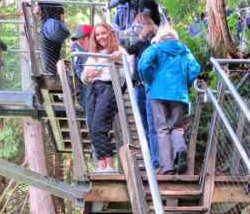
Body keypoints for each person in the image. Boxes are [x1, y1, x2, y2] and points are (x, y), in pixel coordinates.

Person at [138, 26, 201, 176]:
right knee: (177, 127)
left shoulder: (156, 47)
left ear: (160, 36)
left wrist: (149, 80)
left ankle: (168, 168)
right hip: (178, 94)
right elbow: (195, 68)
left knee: (161, 129)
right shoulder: (184, 50)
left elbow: (144, 64)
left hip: (158, 93)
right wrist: (185, 83)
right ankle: (180, 148)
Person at [79, 22, 127, 173]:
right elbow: (83, 77)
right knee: (92, 129)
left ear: (110, 34)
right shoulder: (95, 54)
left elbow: (127, 73)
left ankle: (110, 166)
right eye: (97, 34)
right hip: (92, 90)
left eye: (103, 33)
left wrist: (119, 59)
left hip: (108, 88)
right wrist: (88, 73)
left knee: (100, 127)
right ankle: (101, 166)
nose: (100, 37)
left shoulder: (119, 50)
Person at [125, 13, 160, 168]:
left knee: (147, 124)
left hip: (142, 84)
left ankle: (152, 157)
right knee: (156, 124)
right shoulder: (158, 45)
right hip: (156, 85)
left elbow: (127, 50)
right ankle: (156, 158)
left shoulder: (140, 44)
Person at [33, 0, 68, 74]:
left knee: (46, 52)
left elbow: (36, 12)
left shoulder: (41, 1)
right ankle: (55, 71)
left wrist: (34, 20)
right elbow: (62, 19)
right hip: (56, 31)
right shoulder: (58, 4)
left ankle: (49, 72)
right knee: (55, 53)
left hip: (45, 30)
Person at [71, 24, 93, 105]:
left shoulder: (99, 51)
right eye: (79, 41)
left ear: (91, 38)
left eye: (82, 40)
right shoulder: (79, 54)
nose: (80, 43)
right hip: (85, 96)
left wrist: (78, 49)